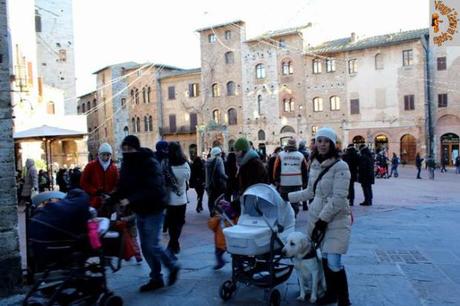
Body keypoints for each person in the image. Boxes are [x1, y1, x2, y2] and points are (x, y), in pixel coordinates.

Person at [288, 127, 352, 306]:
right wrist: (287, 196)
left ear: (332, 144)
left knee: (333, 261)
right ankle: (331, 294)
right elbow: (310, 192)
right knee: (324, 259)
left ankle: (344, 299)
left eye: (326, 141)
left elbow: (339, 198)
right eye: (319, 140)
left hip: (336, 220)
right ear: (315, 143)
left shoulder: (341, 166)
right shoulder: (314, 164)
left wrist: (323, 220)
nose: (322, 144)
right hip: (317, 220)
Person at [115, 135, 180, 292]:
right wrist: (113, 197)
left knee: (152, 244)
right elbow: (123, 185)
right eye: (124, 149)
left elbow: (153, 188)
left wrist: (130, 200)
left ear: (136, 149)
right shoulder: (126, 163)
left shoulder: (149, 162)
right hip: (140, 209)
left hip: (154, 208)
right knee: (145, 247)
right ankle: (156, 278)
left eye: (129, 149)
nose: (126, 152)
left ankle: (172, 266)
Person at [164, 142, 191, 255]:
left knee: (171, 224)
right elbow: (188, 178)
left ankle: (172, 245)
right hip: (182, 199)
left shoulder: (166, 165)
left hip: (170, 200)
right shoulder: (185, 164)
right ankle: (174, 244)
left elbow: (164, 181)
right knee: (179, 223)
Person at [273, 139, 308, 216]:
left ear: (287, 145)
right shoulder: (300, 155)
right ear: (295, 145)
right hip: (297, 182)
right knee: (295, 202)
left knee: (284, 201)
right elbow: (305, 169)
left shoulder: (281, 155)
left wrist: (276, 180)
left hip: (284, 182)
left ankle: (285, 218)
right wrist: (305, 181)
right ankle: (294, 217)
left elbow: (276, 169)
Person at [80, 143, 119, 211]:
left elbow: (117, 184)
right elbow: (83, 182)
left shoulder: (114, 168)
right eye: (103, 154)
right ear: (99, 154)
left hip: (109, 202)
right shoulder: (90, 166)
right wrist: (95, 191)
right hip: (93, 201)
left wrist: (111, 194)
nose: (106, 157)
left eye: (108, 155)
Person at [205, 147, 228, 217]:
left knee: (211, 198)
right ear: (219, 153)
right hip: (219, 184)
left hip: (209, 184)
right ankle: (218, 214)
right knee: (219, 199)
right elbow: (221, 173)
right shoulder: (219, 160)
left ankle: (212, 211)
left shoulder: (208, 161)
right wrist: (228, 179)